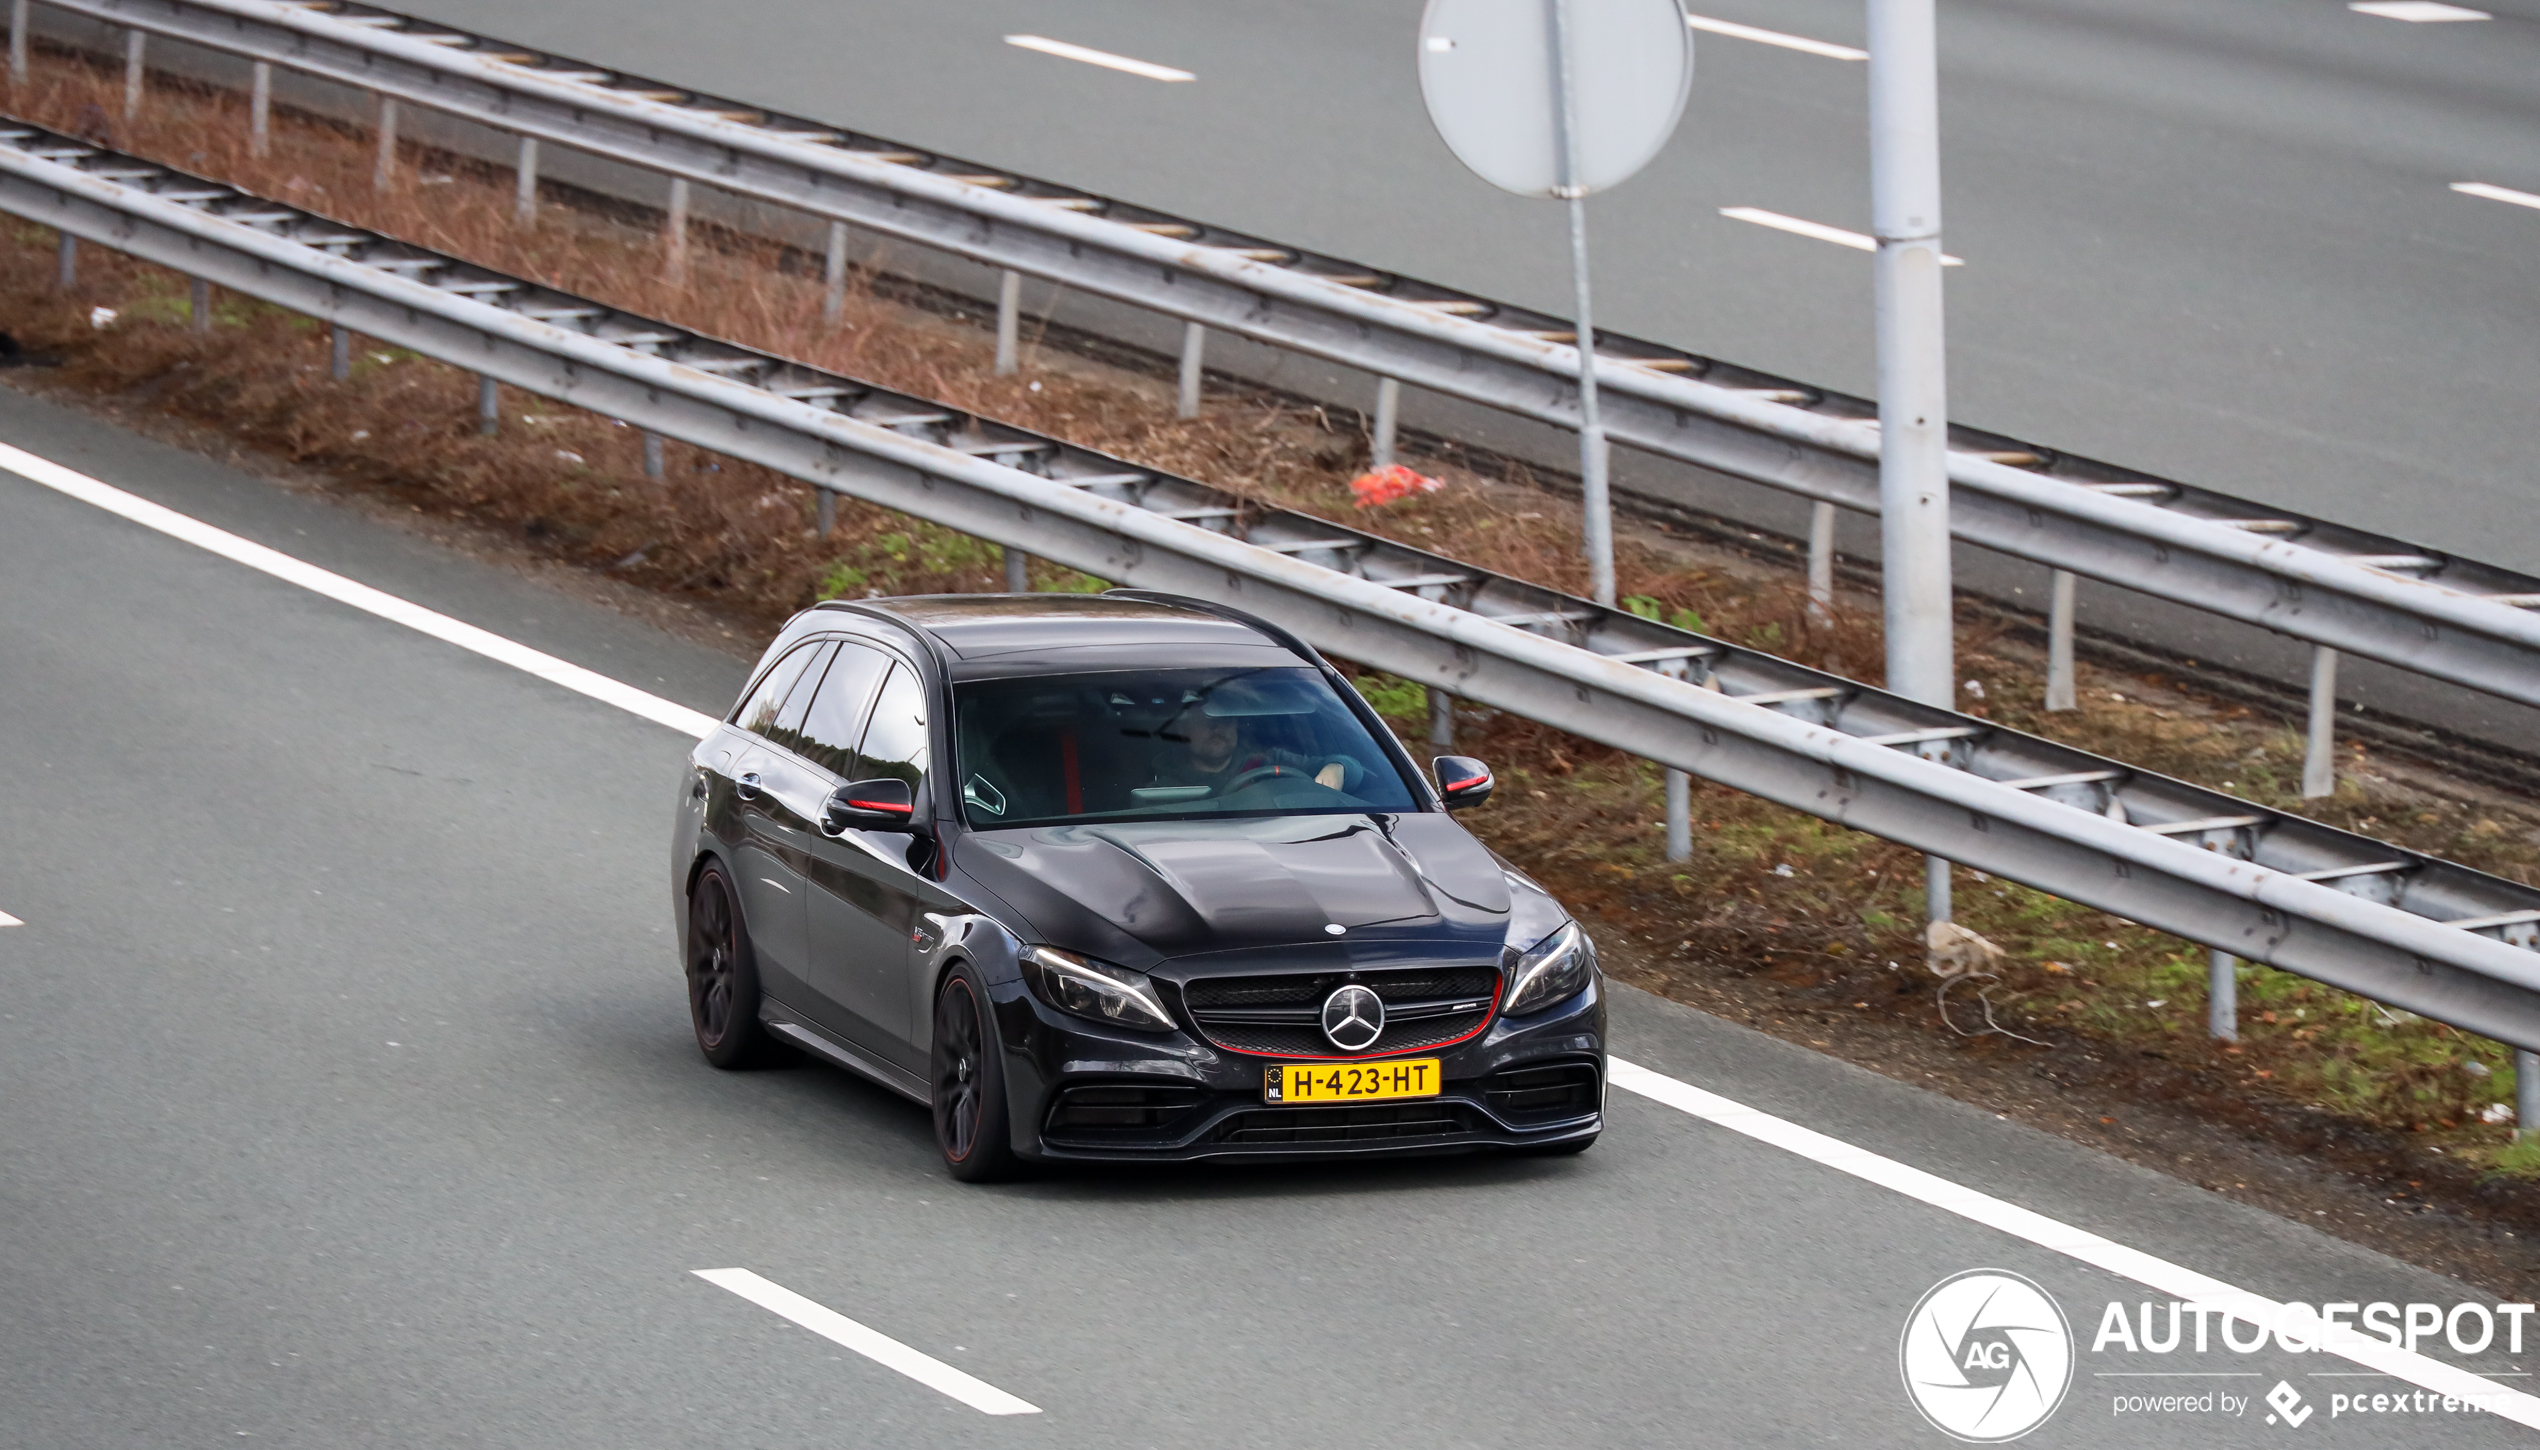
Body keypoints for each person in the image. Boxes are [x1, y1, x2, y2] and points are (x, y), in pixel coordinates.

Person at [1150, 706, 1352, 795]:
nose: (1217, 728)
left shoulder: (1270, 761)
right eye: (1206, 721)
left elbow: (1355, 768)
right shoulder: (1161, 787)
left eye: (1226, 719)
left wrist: (1337, 767)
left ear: (1236, 724)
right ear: (1182, 728)